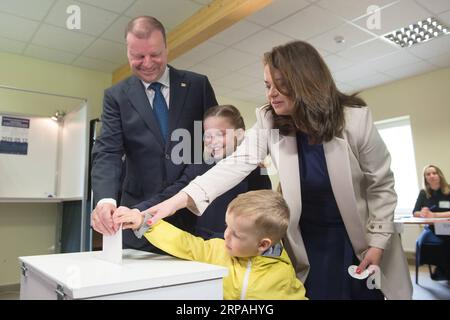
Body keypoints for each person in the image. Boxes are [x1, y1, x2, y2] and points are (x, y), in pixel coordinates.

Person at [146, 40, 413, 299]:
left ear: (307, 83)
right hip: (306, 238)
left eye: (280, 85)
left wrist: (377, 243)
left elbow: (381, 185)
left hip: (356, 235)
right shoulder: (269, 120)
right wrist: (175, 202)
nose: (270, 93)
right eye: (267, 85)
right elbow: (234, 164)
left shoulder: (354, 120)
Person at [90, 16, 218, 252]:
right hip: (136, 216)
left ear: (167, 48)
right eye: (138, 56)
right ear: (127, 53)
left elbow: (215, 144)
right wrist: (105, 199)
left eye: (155, 54)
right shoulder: (116, 96)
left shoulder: (197, 86)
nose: (147, 63)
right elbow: (108, 151)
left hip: (190, 210)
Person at [113, 190, 307, 300]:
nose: (226, 235)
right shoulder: (217, 250)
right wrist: (143, 223)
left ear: (263, 244)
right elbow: (185, 244)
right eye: (226, 226)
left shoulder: (282, 274)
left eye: (236, 234)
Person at [121, 104, 271, 240]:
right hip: (199, 246)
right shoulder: (198, 167)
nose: (213, 141)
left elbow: (263, 214)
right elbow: (172, 194)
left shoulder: (256, 171)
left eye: (221, 134)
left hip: (236, 246)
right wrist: (138, 210)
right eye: (208, 135)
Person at [413, 164, 450, 280]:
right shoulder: (423, 193)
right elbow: (415, 212)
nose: (431, 176)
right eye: (428, 174)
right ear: (425, 178)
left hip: (447, 226)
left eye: (434, 173)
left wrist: (434, 215)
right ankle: (443, 270)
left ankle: (443, 270)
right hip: (432, 228)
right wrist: (423, 213)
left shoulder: (448, 190)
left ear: (440, 175)